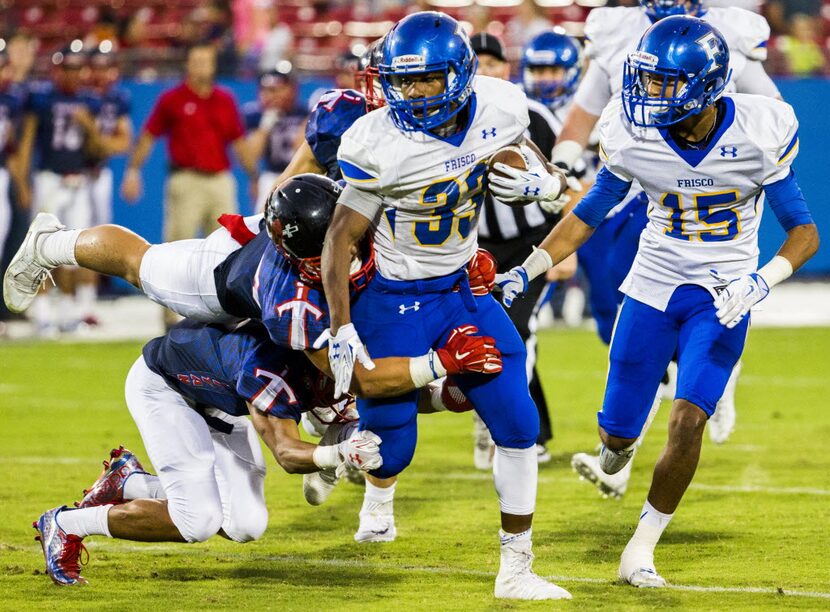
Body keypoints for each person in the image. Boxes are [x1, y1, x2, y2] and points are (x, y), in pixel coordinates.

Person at [496, 16, 819, 586]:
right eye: (648, 79)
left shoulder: (760, 129)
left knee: (689, 418)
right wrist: (530, 267)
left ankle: (641, 550)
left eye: (666, 82)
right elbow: (589, 213)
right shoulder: (633, 131)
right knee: (617, 436)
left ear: (707, 84)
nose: (649, 94)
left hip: (722, 293)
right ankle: (616, 454)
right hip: (651, 287)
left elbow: (804, 232)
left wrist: (760, 281)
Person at [320, 12, 571, 600]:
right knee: (392, 445)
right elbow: (339, 238)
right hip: (394, 296)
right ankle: (379, 500)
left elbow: (528, 153)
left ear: (457, 74)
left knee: (518, 422)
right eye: (401, 81)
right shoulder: (377, 142)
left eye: (424, 80)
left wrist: (542, 181)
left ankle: (516, 568)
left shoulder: (500, 105)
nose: (408, 93)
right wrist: (341, 327)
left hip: (462, 286)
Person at [557, 0, 782, 499]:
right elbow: (582, 116)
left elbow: (772, 113)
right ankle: (631, 437)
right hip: (629, 190)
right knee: (614, 323)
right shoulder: (617, 32)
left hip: (698, 199)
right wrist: (564, 166)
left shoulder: (725, 33)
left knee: (695, 324)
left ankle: (708, 386)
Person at [33, 316, 385, 587]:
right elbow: (287, 453)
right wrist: (340, 454)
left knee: (246, 525)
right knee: (197, 520)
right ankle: (66, 524)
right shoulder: (271, 368)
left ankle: (131, 482)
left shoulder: (313, 350)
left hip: (218, 400)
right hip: (166, 387)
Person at [470, 30, 581, 469]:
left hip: (530, 243)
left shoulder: (529, 114)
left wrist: (563, 246)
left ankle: (513, 427)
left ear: (506, 68)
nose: (484, 71)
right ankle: (515, 424)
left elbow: (573, 188)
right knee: (480, 333)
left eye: (492, 63)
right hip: (471, 245)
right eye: (475, 62)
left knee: (516, 329)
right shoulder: (447, 117)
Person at [120, 43, 255, 325]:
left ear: (214, 65)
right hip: (186, 180)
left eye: (206, 61)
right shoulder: (173, 99)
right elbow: (148, 135)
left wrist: (253, 175)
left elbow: (238, 142)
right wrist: (133, 170)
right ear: (188, 65)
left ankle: (225, 314)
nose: (202, 66)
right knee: (178, 246)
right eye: (197, 61)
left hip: (219, 180)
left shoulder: (225, 99)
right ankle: (171, 318)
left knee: (228, 248)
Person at [17, 46, 103, 335]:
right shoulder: (42, 99)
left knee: (75, 249)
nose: (73, 74)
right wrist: (24, 181)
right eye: (68, 68)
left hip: (78, 180)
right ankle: (42, 312)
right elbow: (27, 142)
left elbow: (98, 149)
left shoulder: (89, 102)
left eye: (77, 68)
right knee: (40, 247)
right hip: (49, 178)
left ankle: (68, 311)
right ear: (57, 70)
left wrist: (89, 126)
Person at [243, 70, 307, 211]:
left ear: (291, 89)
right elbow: (251, 156)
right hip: (271, 175)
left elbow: (303, 149)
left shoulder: (304, 113)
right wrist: (265, 126)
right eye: (266, 90)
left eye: (276, 90)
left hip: (300, 173)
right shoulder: (256, 115)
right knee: (263, 220)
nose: (271, 95)